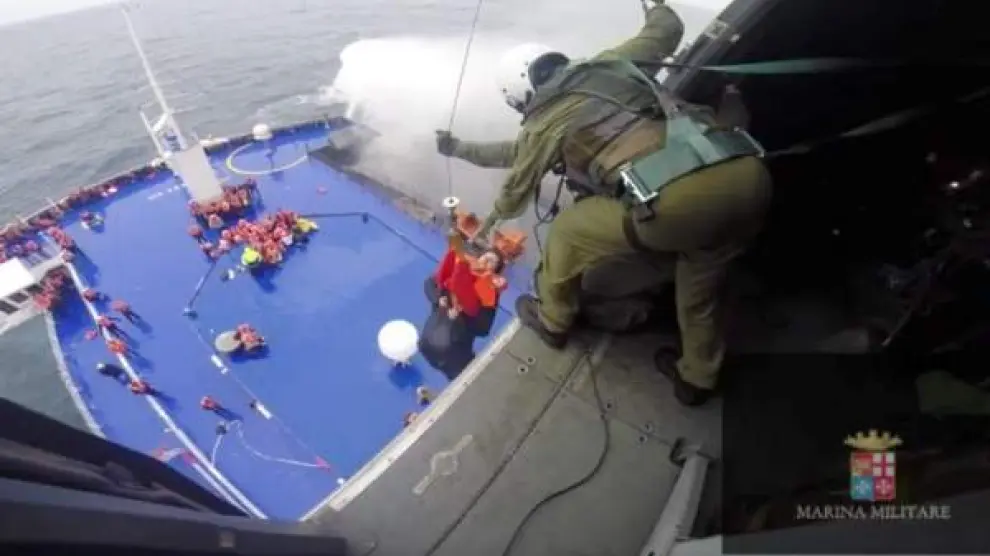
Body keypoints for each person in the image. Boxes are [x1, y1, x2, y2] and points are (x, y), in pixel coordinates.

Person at [434, 2, 771, 406]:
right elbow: (667, 29)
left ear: (521, 97)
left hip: (678, 203)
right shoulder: (609, 63)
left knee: (568, 231)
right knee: (701, 273)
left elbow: (514, 186)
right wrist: (656, 6)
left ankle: (553, 320)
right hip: (747, 174)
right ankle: (696, 378)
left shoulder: (543, 126)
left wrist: (487, 220)